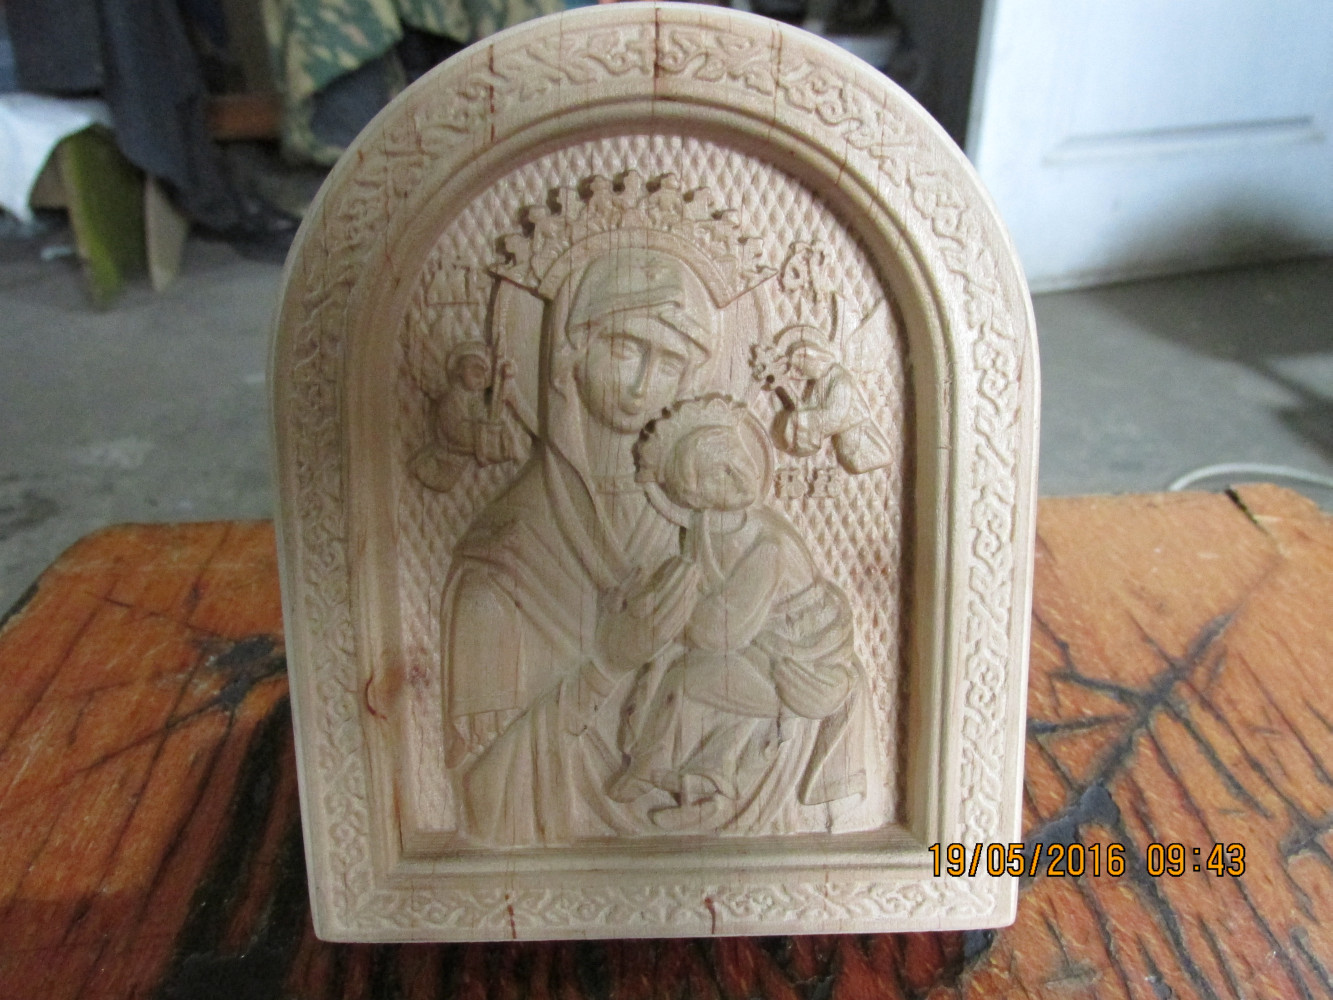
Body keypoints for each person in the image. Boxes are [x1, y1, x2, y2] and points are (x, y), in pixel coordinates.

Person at [439, 246, 722, 846]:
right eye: (625, 349)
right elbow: (483, 799)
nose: (643, 385)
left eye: (669, 362)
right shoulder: (501, 560)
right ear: (573, 352)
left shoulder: (709, 523)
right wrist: (607, 664)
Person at [609, 398, 869, 832]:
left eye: (738, 460)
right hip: (765, 651)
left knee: (687, 679)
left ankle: (655, 772)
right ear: (693, 492)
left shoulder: (769, 544)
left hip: (805, 667)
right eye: (719, 472)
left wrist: (677, 617)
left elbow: (722, 632)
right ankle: (693, 786)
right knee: (680, 675)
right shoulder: (706, 528)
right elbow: (696, 581)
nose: (739, 475)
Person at [773, 336, 893, 474]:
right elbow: (809, 410)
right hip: (844, 445)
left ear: (814, 360)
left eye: (802, 368)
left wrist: (799, 421)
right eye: (799, 370)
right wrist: (783, 387)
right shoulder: (820, 382)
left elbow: (834, 418)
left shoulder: (841, 379)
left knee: (863, 463)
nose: (801, 373)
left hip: (862, 439)